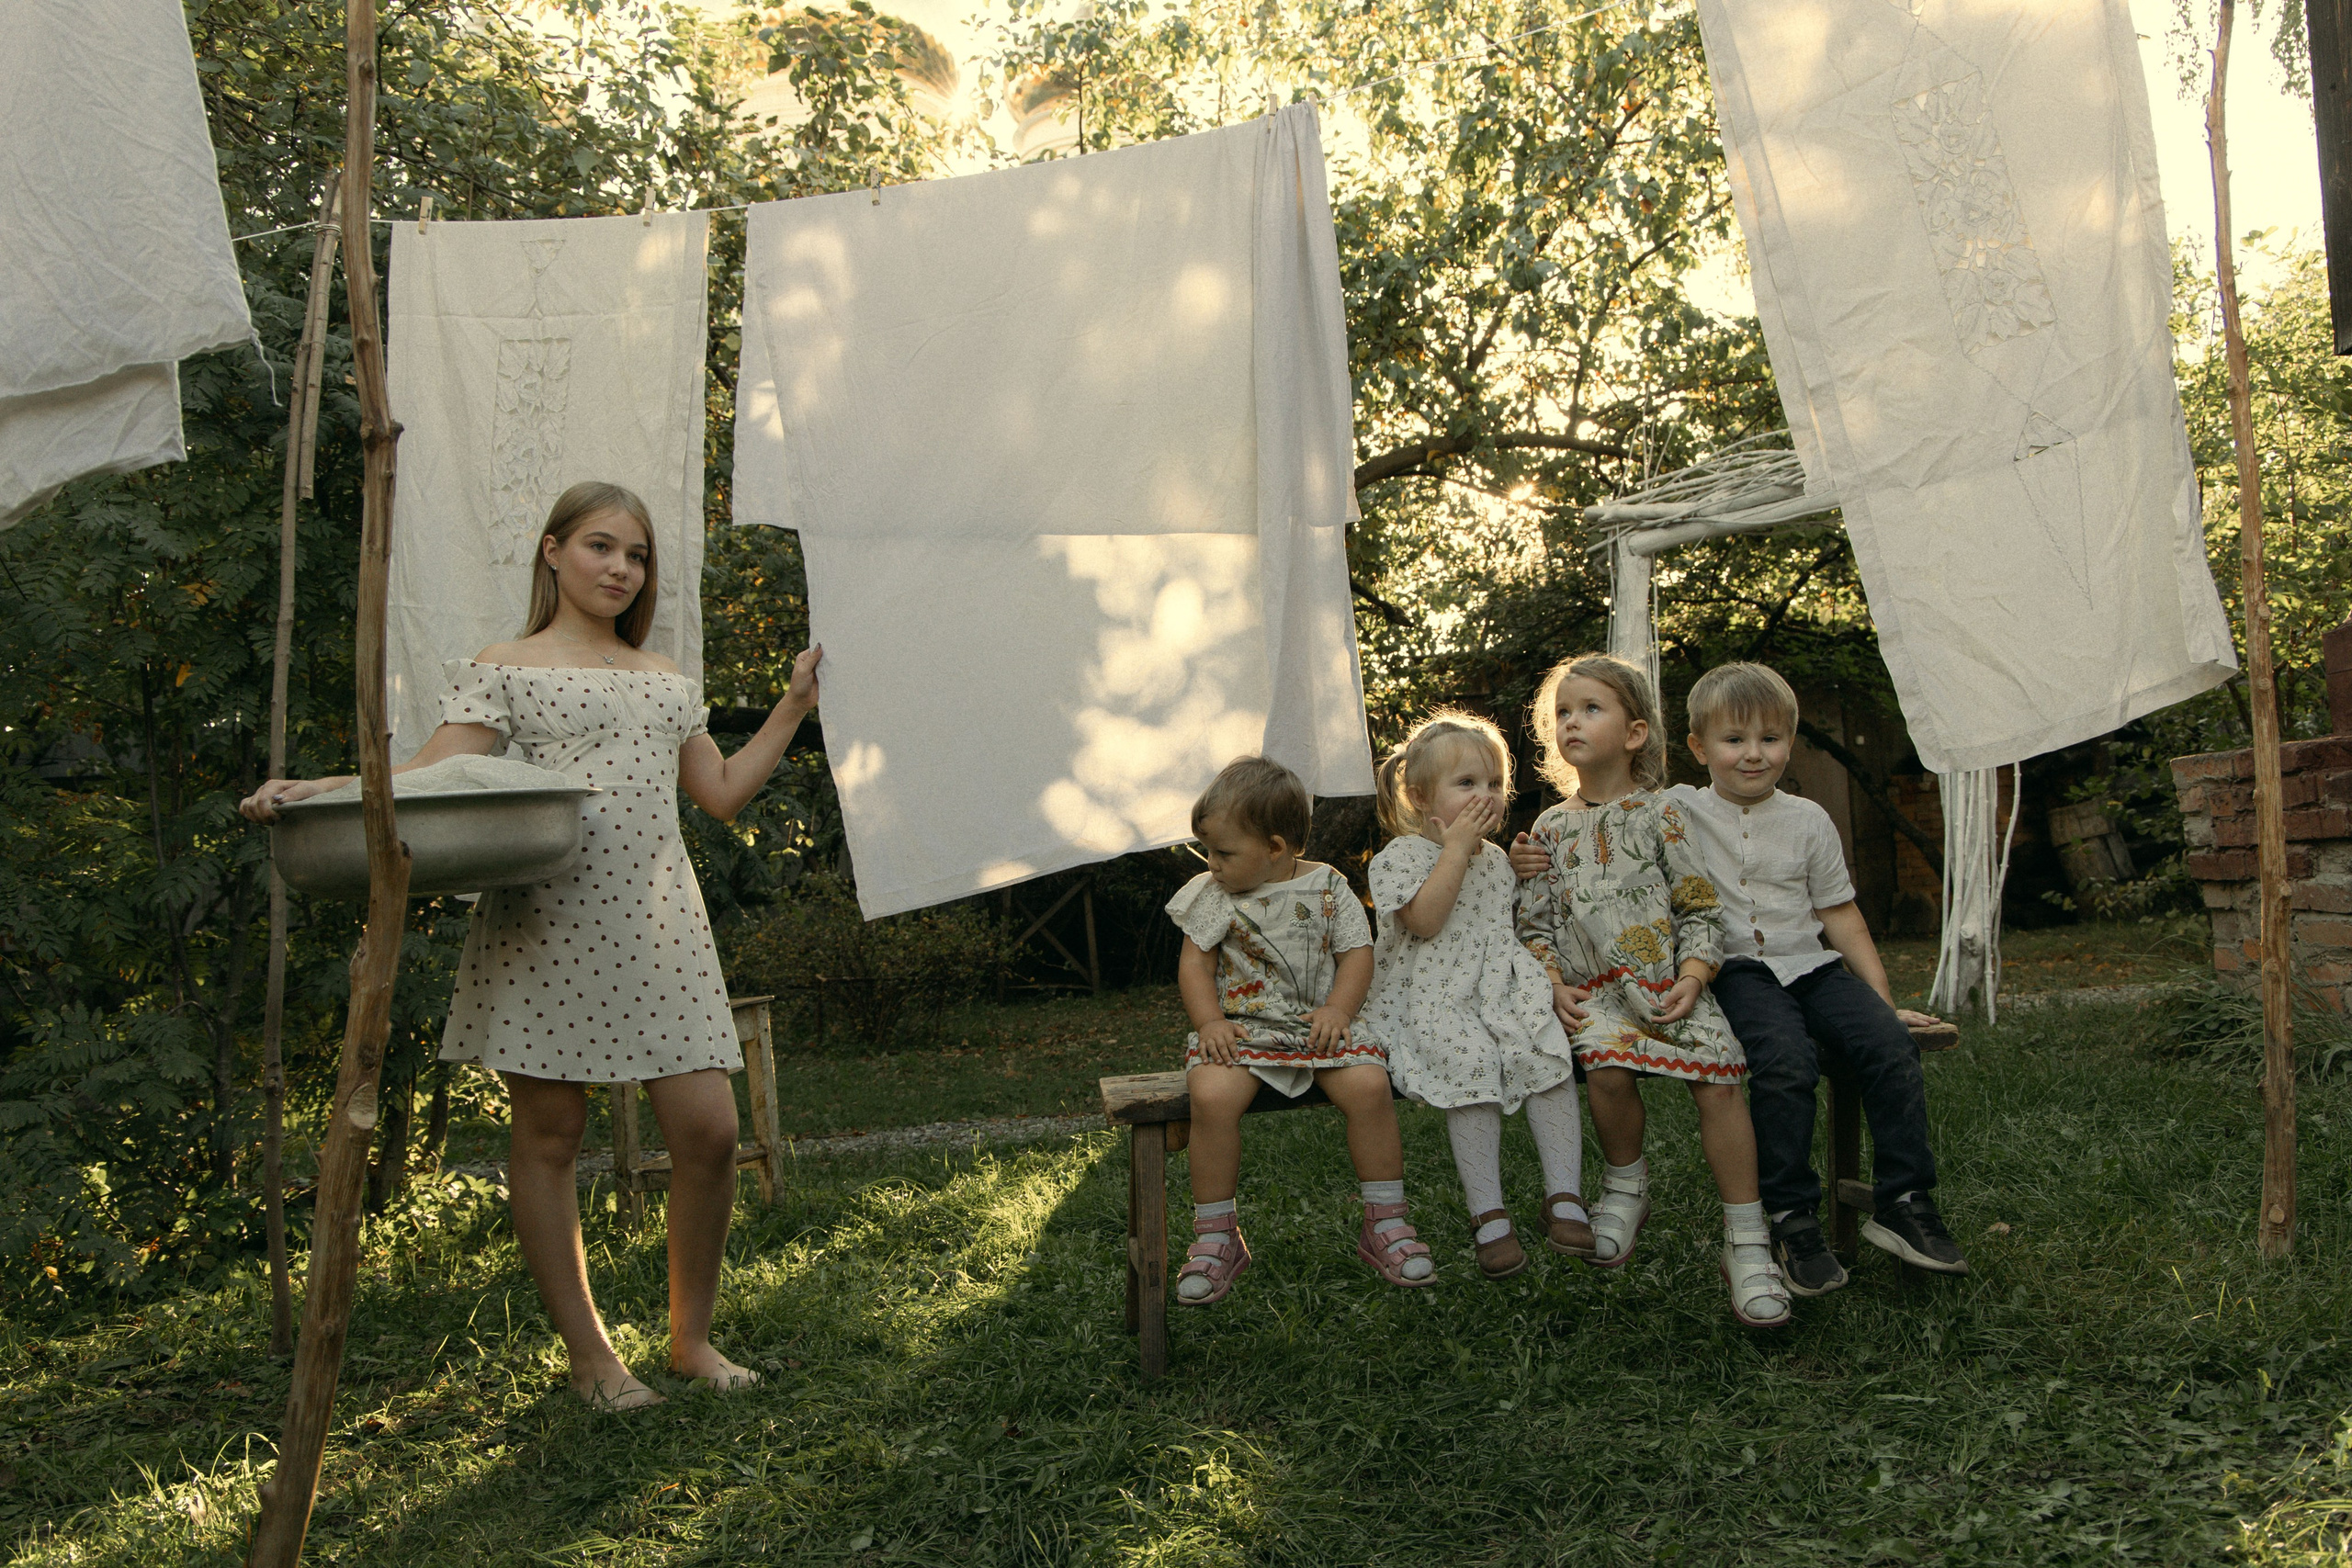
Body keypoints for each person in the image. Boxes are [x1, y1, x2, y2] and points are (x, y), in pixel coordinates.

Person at [242, 479, 820, 1408]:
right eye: (600, 547)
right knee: (551, 1132)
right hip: (545, 920)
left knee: (709, 1134)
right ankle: (592, 1360)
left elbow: (716, 793)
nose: (620, 569)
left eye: (635, 556)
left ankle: (691, 1341)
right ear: (552, 553)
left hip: (662, 921)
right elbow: (433, 777)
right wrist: (318, 788)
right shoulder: (506, 665)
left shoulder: (667, 679)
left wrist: (790, 706)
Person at [1660, 661, 1967, 1294]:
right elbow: (1608, 816)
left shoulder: (1807, 818)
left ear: (1790, 742)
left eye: (1770, 738)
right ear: (1699, 747)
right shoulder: (1678, 810)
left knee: (1889, 1045)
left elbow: (1839, 914)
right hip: (1735, 969)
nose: (1753, 754)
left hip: (1811, 965)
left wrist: (1882, 1004)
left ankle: (1905, 1200)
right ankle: (1791, 1217)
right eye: (1734, 739)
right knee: (1785, 1061)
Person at [1506, 652, 1790, 1327]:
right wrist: (1550, 981)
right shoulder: (1547, 829)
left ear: (1635, 733)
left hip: (1672, 983)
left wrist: (1695, 975)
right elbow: (1533, 921)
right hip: (1597, 994)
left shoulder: (1665, 814)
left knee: (1721, 1080)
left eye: (1591, 709)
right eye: (1563, 713)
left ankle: (1747, 1239)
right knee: (1605, 1068)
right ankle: (1625, 1186)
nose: (1572, 722)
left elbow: (1698, 904)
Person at [1167, 755, 1434, 1303]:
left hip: (1322, 1026)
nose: (1211, 863)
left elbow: (1357, 954)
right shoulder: (1213, 894)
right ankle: (1216, 1236)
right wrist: (1210, 1022)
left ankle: (1386, 1221)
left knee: (1367, 1086)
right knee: (1211, 1095)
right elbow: (1195, 965)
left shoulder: (1330, 888)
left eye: (1224, 852)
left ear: (1275, 848)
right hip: (1244, 1030)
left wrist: (1339, 1009)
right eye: (1207, 850)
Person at [1361, 712, 1591, 1280]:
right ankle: (1488, 1214)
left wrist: (1511, 865)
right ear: (1419, 796)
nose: (1484, 795)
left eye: (1493, 783)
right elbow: (1429, 922)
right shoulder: (1399, 859)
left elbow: (1501, 924)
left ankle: (1564, 1196)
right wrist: (1457, 849)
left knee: (1547, 1055)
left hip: (1498, 992)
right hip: (1430, 998)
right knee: (1470, 1064)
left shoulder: (1494, 861)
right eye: (1467, 784)